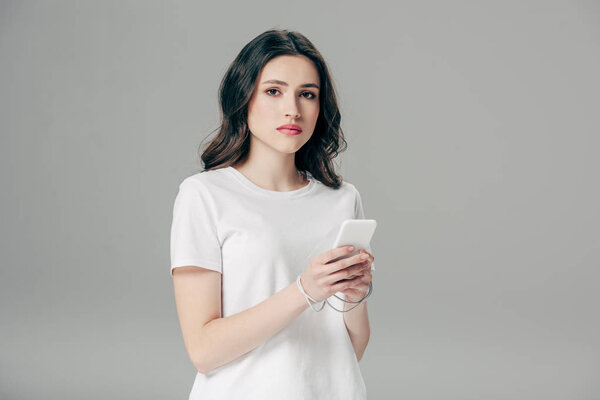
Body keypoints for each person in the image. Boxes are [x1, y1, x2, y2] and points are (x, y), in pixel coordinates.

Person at [170, 28, 375, 400]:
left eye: (307, 94)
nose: (292, 109)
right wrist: (304, 290)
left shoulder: (343, 199)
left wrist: (354, 297)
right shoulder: (204, 196)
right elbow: (203, 351)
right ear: (243, 97)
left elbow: (350, 350)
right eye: (273, 91)